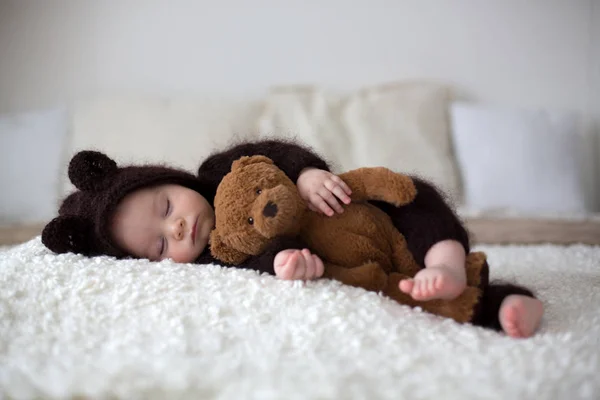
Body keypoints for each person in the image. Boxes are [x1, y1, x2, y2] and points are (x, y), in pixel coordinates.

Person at [42, 139, 543, 338]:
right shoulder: (219, 263)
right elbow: (258, 264)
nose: (175, 229)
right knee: (406, 292)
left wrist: (305, 175)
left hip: (351, 209)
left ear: (173, 179)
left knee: (413, 197)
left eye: (167, 207)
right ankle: (503, 306)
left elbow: (270, 151)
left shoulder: (217, 173)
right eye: (158, 247)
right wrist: (287, 265)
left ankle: (449, 262)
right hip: (365, 266)